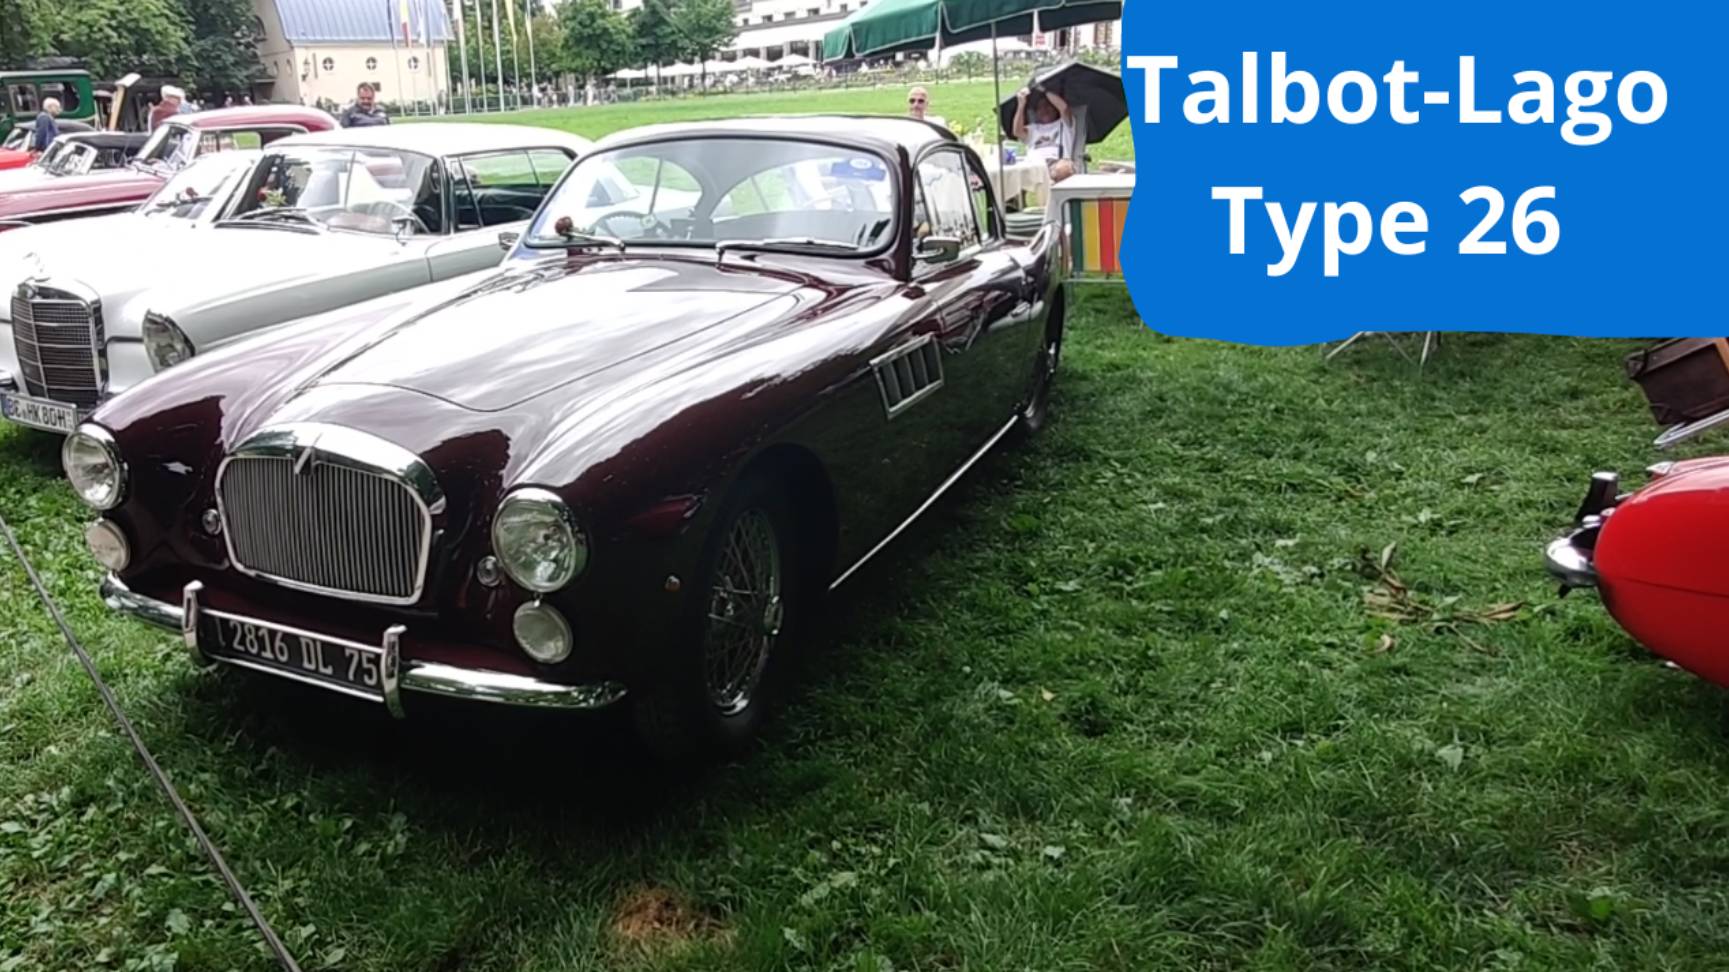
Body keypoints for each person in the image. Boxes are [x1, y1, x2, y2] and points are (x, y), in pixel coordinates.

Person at [1014, 85, 1076, 183]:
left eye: (1048, 106)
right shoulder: (1033, 128)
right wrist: (1021, 104)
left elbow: (1064, 108)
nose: (1044, 110)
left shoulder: (1064, 124)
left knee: (1064, 167)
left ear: (1055, 108)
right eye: (1040, 107)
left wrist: (1044, 90)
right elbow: (1017, 132)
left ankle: (1047, 181)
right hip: (1034, 166)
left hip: (1057, 165)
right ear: (1036, 112)